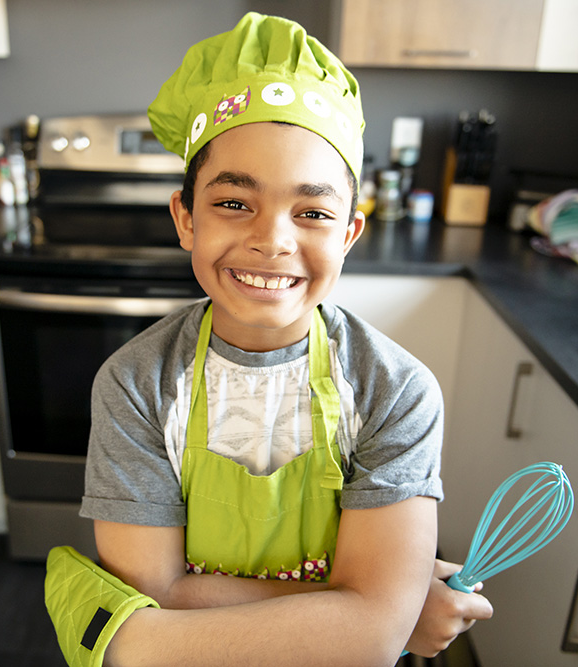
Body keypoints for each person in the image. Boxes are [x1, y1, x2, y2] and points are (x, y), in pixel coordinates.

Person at [45, 12, 492, 667]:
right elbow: (151, 592)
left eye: (311, 212)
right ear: (185, 217)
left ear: (348, 234)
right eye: (234, 203)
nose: (274, 239)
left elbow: (365, 639)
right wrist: (377, 607)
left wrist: (375, 618)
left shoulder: (394, 391)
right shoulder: (136, 382)